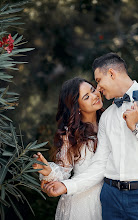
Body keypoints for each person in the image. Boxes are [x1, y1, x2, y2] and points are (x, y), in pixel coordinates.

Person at [43, 53, 138, 220]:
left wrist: (137, 129)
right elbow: (100, 164)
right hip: (110, 199)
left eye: (98, 81)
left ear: (111, 74)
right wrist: (66, 186)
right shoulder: (107, 116)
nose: (98, 89)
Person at [33, 77, 104, 220]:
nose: (94, 96)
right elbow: (63, 172)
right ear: (77, 107)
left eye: (93, 90)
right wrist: (49, 171)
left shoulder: (110, 119)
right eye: (86, 97)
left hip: (111, 199)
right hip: (83, 204)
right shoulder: (71, 135)